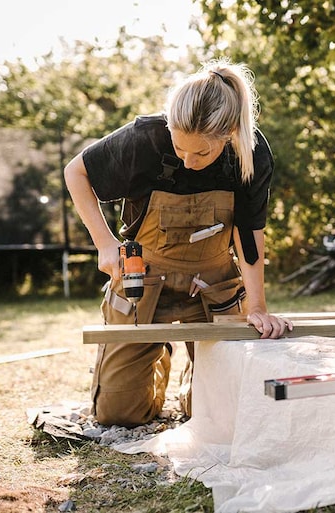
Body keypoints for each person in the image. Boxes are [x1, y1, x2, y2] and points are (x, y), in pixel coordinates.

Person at [65, 58, 293, 427]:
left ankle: (197, 376)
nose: (188, 162)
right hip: (143, 283)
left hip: (213, 284)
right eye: (180, 147)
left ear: (230, 132)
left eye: (201, 153)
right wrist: (105, 244)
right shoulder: (144, 138)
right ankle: (157, 354)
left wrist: (258, 306)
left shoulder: (251, 152)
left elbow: (249, 233)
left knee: (217, 413)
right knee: (118, 415)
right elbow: (75, 171)